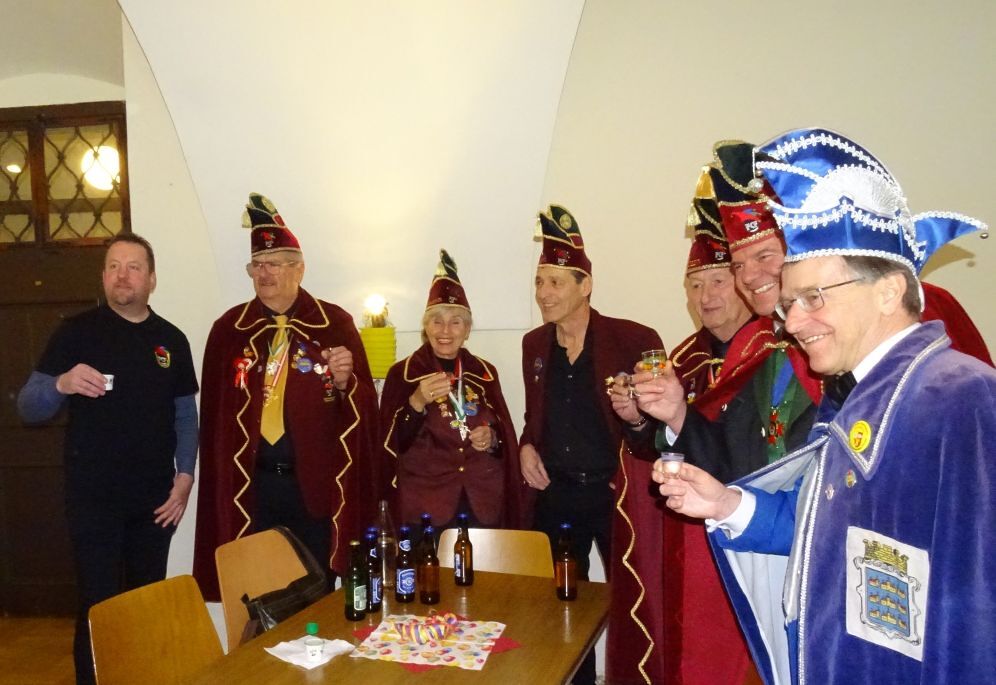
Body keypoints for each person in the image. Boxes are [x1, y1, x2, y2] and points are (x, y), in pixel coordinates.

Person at [656, 128, 995, 685]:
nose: (792, 321)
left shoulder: (961, 399)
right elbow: (820, 524)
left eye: (814, 297)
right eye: (790, 302)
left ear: (889, 291)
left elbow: (977, 613)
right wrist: (727, 504)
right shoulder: (857, 395)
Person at [17, 233, 198, 685]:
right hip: (93, 502)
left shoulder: (171, 340)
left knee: (145, 604)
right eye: (114, 266)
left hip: (156, 504)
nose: (122, 275)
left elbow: (185, 418)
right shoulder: (76, 332)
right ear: (103, 276)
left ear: (151, 279)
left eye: (134, 267)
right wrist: (60, 383)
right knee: (97, 606)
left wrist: (185, 478)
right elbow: (28, 406)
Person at [193, 192, 381, 601]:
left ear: (299, 268)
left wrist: (347, 384)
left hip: (313, 489)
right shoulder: (229, 330)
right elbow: (215, 424)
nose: (264, 273)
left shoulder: (334, 324)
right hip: (252, 490)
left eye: (274, 264)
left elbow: (367, 410)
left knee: (315, 594)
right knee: (259, 597)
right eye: (257, 265)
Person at [520, 205, 667, 685]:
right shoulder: (533, 345)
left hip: (614, 493)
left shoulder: (633, 338)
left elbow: (661, 419)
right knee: (561, 603)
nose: (544, 293)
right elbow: (535, 417)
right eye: (539, 281)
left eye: (555, 282)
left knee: (633, 597)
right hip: (557, 494)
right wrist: (526, 446)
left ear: (586, 286)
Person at [616, 195, 756, 684]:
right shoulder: (682, 359)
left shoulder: (772, 352)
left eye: (717, 281)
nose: (705, 296)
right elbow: (657, 446)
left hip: (752, 536)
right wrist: (637, 421)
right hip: (687, 538)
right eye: (694, 285)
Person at [379, 249, 526, 531]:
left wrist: (492, 439)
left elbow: (504, 436)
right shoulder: (404, 374)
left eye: (455, 322)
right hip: (426, 505)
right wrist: (416, 402)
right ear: (426, 327)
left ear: (467, 330)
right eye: (437, 321)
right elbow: (390, 445)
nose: (445, 330)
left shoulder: (484, 373)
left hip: (482, 501)